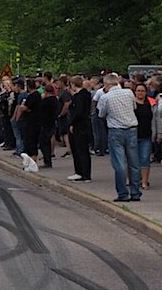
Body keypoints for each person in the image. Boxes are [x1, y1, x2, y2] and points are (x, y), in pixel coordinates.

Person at [97, 73, 142, 202]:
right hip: (132, 128)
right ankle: (135, 192)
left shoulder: (105, 97)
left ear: (107, 84)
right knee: (134, 162)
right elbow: (134, 107)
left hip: (116, 130)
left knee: (119, 163)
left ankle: (123, 193)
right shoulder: (129, 93)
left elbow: (101, 114)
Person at [66, 76, 93, 182]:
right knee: (82, 150)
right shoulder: (86, 95)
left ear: (73, 84)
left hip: (79, 126)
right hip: (85, 124)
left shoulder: (78, 97)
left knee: (79, 150)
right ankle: (83, 172)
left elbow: (78, 112)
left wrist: (72, 123)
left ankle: (82, 173)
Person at [134, 82, 155, 190]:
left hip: (146, 135)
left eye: (142, 91)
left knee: (144, 159)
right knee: (132, 159)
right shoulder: (131, 103)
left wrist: (157, 133)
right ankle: (133, 180)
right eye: (138, 91)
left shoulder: (151, 103)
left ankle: (144, 181)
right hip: (133, 135)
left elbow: (156, 119)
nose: (140, 93)